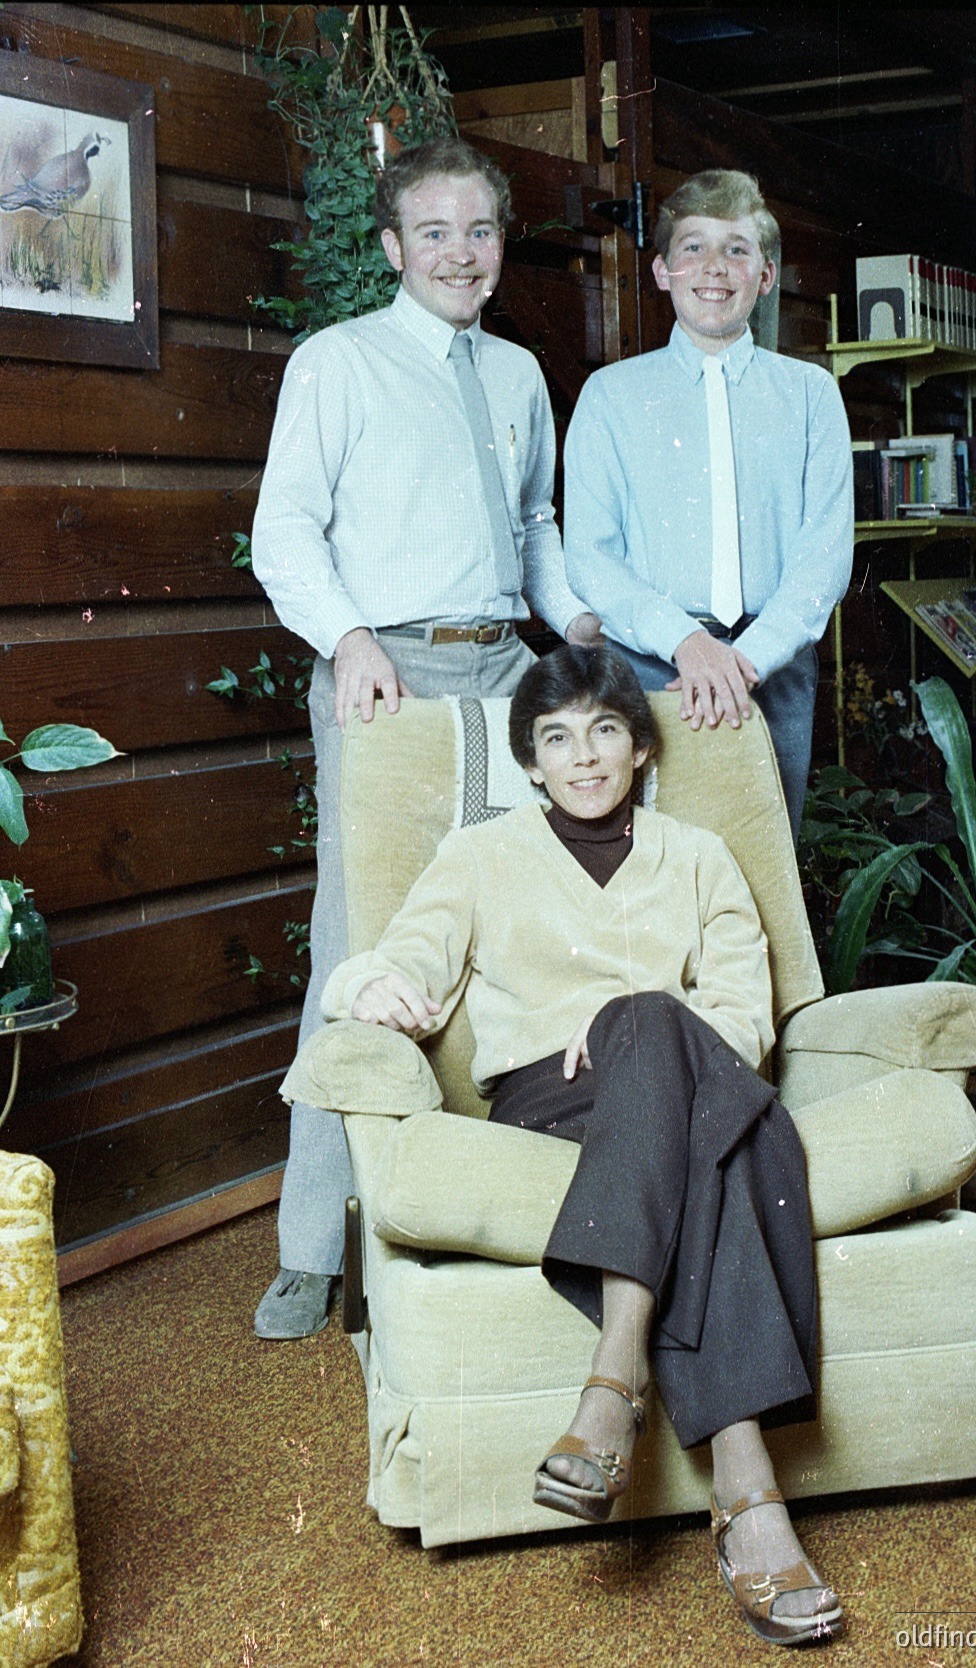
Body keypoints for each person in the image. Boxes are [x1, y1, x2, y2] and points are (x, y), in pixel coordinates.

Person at [323, 644, 842, 1648]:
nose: (584, 757)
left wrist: (638, 1030)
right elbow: (397, 961)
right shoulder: (478, 858)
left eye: (605, 731)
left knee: (665, 1041)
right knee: (719, 1121)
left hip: (691, 1084)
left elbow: (743, 1018)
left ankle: (622, 1389)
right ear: (528, 761)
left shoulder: (696, 855)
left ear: (642, 749)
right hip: (551, 1104)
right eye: (557, 738)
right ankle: (748, 1502)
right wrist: (361, 991)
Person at [250, 136, 601, 1340]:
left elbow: (537, 525)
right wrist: (348, 638)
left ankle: (505, 1205)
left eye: (480, 231)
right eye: (435, 233)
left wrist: (578, 620)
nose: (462, 253)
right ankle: (316, 1243)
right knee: (362, 939)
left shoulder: (513, 374)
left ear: (501, 248)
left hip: (505, 665)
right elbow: (285, 532)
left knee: (523, 924)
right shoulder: (335, 362)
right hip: (385, 675)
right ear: (393, 248)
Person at [563, 169, 854, 838]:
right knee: (641, 876)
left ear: (767, 274)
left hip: (771, 671)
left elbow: (825, 557)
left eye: (737, 249)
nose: (714, 268)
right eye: (693, 247)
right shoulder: (611, 397)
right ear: (662, 270)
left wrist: (743, 661)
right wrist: (689, 644)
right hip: (649, 667)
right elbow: (591, 558)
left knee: (762, 879)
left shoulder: (811, 396)